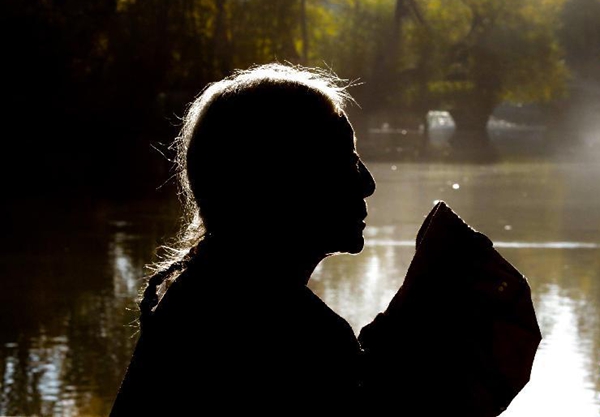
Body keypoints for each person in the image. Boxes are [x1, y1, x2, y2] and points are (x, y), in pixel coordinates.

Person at [109, 62, 376, 415]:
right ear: (282, 179)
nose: (367, 184)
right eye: (346, 162)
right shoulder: (299, 339)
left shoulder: (197, 297)